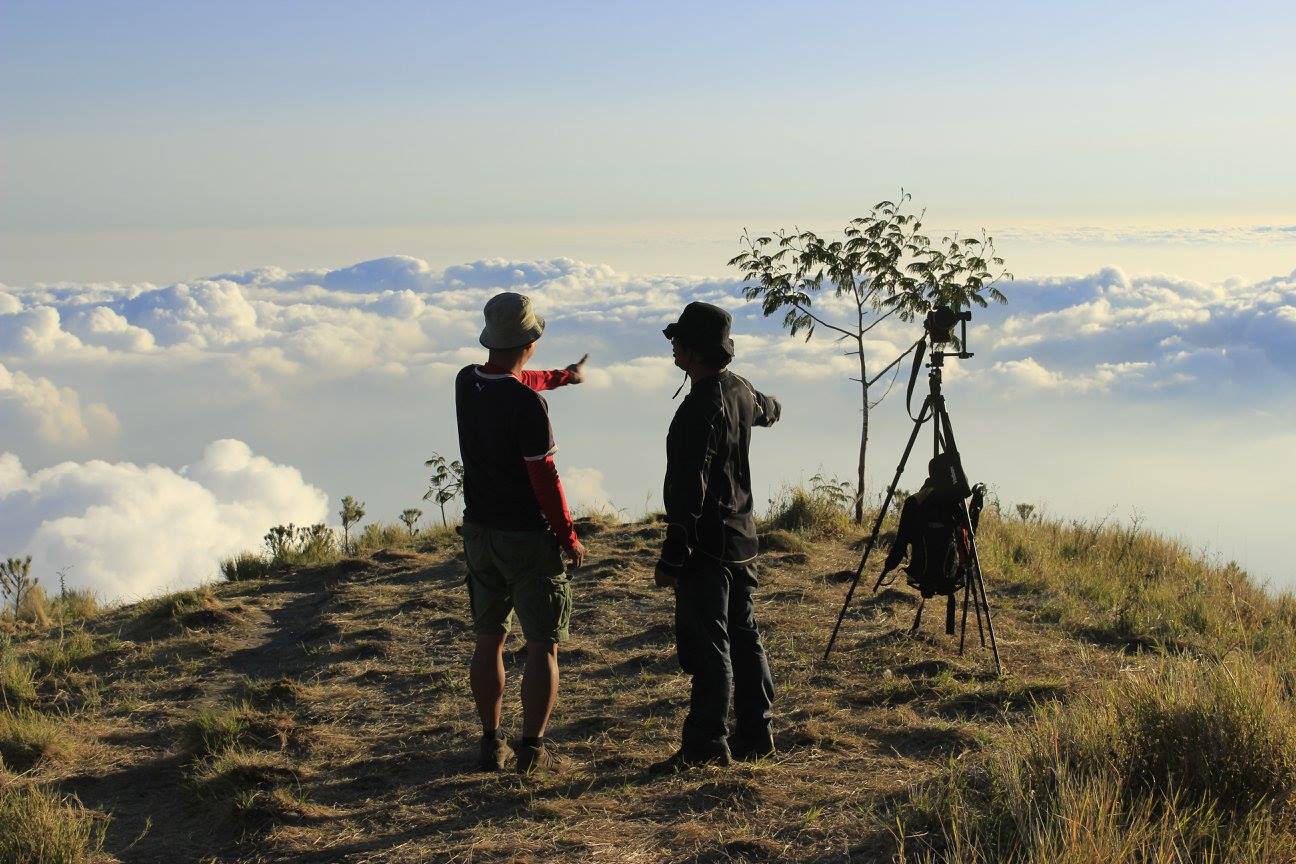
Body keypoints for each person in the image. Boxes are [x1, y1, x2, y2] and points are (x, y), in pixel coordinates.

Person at [455, 291, 589, 776]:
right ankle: (531, 749)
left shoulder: (467, 383)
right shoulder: (528, 406)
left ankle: (490, 742)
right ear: (531, 339)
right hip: (527, 539)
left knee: (488, 639)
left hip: (479, 532)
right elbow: (545, 479)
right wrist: (568, 537)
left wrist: (562, 377)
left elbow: (513, 380)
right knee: (541, 644)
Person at [651, 301, 781, 773]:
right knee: (744, 636)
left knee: (709, 646)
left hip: (705, 546)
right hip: (742, 539)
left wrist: (672, 557)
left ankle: (706, 743)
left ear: (689, 350)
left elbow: (688, 493)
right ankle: (757, 732)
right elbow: (772, 409)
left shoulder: (695, 410)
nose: (672, 348)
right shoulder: (739, 390)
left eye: (676, 342)